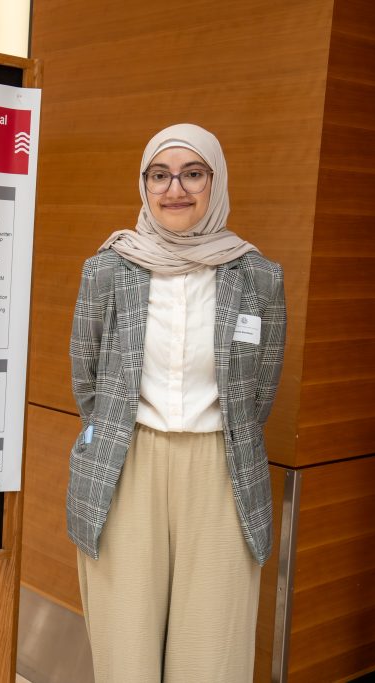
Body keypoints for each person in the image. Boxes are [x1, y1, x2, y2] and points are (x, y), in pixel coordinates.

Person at [68, 123, 286, 682]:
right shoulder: (108, 269)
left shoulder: (258, 276)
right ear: (144, 185)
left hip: (222, 470)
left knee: (211, 653)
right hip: (126, 465)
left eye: (193, 173)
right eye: (160, 175)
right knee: (126, 649)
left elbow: (260, 388)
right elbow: (86, 377)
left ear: (216, 182)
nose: (175, 189)